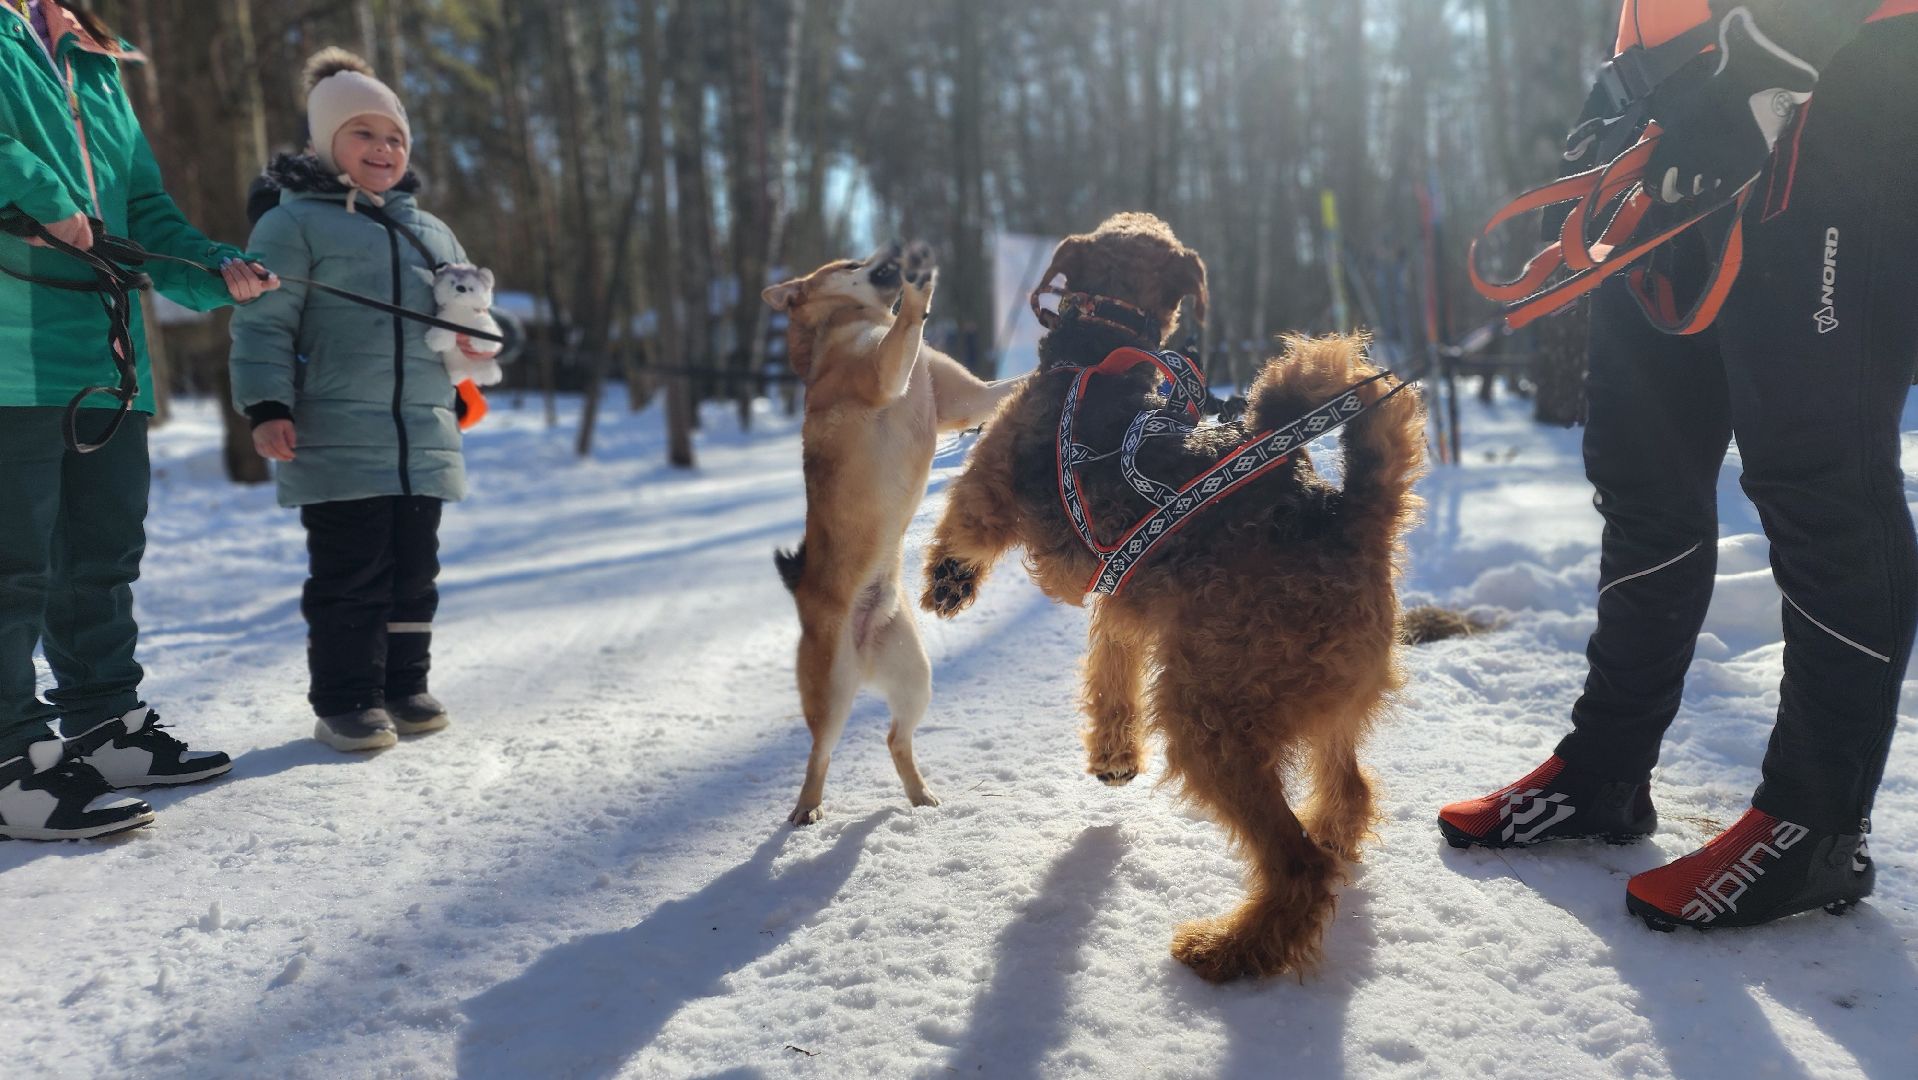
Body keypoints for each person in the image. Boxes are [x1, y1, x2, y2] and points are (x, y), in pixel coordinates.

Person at [1440, 0, 1918, 930]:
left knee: (1818, 476)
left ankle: (1816, 828)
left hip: (1844, 95)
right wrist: (1626, 81)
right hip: (1682, 111)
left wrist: (1771, 51)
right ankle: (1606, 772)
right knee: (1641, 472)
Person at [0, 0, 278, 840]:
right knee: (10, 565)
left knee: (101, 551)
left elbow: (142, 209)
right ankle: (11, 759)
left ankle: (102, 721)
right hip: (11, 344)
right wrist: (45, 195)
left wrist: (212, 267)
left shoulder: (92, 54)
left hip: (106, 352)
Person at [231, 49, 479, 754]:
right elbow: (263, 323)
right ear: (323, 143)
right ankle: (346, 700)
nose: (383, 148)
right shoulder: (293, 224)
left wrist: (471, 367)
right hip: (336, 434)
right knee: (353, 575)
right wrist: (268, 405)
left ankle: (404, 686)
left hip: (420, 435)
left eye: (395, 136)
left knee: (414, 573)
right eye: (363, 134)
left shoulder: (429, 230)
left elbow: (462, 319)